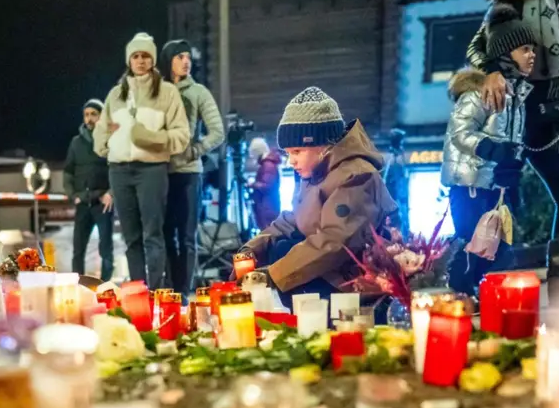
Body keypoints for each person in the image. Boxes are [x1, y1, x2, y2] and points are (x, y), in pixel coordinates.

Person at [467, 0, 559, 279]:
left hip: (556, 110)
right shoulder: (513, 2)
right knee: (499, 192)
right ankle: (484, 272)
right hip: (518, 106)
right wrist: (492, 70)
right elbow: (476, 48)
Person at [239, 87, 396, 303]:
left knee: (285, 254)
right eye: (287, 153)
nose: (290, 161)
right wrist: (253, 248)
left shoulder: (356, 176)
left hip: (355, 284)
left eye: (297, 152)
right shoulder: (316, 173)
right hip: (332, 275)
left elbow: (335, 242)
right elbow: (293, 219)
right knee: (282, 246)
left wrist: (273, 275)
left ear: (323, 146)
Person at [443, 8, 537, 295]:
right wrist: (494, 150)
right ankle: (460, 299)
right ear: (505, 53)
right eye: (525, 49)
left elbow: (513, 142)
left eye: (533, 49)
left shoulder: (516, 97)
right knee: (474, 247)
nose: (532, 55)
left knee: (498, 250)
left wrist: (512, 170)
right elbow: (460, 134)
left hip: (495, 188)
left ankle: (484, 301)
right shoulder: (477, 93)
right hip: (471, 188)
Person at [93, 33, 191, 289]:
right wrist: (110, 147)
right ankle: (138, 291)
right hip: (119, 171)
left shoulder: (167, 92)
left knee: (153, 235)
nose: (140, 61)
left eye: (145, 56)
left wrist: (151, 139)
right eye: (135, 56)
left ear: (153, 59)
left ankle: (157, 291)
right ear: (129, 60)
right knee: (131, 238)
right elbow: (101, 130)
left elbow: (181, 135)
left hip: (151, 170)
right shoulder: (116, 94)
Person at [159, 39, 224, 293]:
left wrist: (195, 150)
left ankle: (184, 291)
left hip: (188, 173)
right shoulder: (158, 92)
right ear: (168, 61)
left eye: (188, 57)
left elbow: (217, 131)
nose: (186, 61)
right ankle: (169, 289)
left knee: (187, 236)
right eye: (179, 57)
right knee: (165, 235)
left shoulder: (198, 92)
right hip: (160, 173)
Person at [63, 98, 114, 280]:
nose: (90, 118)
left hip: (103, 203)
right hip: (83, 203)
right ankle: (79, 287)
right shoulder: (76, 143)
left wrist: (111, 193)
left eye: (94, 114)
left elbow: (117, 168)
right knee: (78, 250)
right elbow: (68, 171)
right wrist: (72, 195)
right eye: (86, 114)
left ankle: (105, 286)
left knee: (106, 250)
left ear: (101, 116)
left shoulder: (110, 140)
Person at [247, 137, 282, 232]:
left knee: (268, 233)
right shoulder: (268, 165)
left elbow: (267, 186)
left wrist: (253, 184)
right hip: (268, 205)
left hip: (266, 206)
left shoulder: (267, 166)